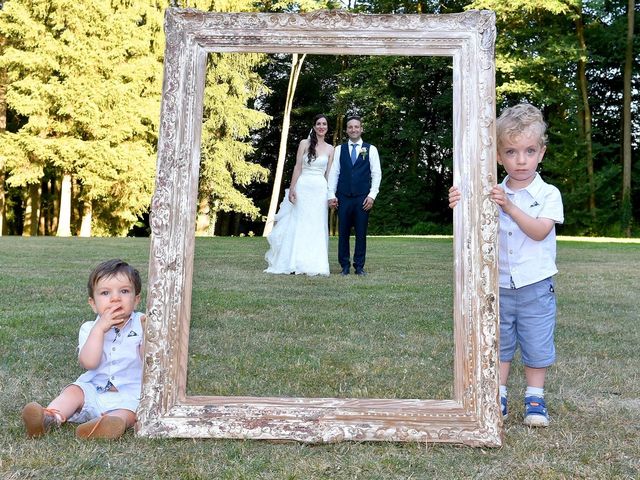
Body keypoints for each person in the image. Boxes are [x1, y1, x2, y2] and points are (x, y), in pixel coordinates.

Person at [449, 103, 563, 427]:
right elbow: (471, 224)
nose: (521, 160)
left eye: (529, 150)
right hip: (498, 282)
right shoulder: (492, 192)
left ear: (541, 152)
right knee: (499, 340)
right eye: (512, 152)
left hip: (536, 284)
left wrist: (510, 208)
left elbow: (540, 231)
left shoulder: (548, 194)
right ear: (499, 156)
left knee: (536, 340)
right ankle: (496, 395)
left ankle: (535, 397)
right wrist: (459, 202)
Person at [22, 259, 146, 439]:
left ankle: (108, 425)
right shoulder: (89, 328)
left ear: (136, 300)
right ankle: (50, 417)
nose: (115, 298)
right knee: (74, 391)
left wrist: (151, 334)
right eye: (105, 293)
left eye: (124, 291)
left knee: (131, 412)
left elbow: (150, 360)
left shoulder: (143, 324)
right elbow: (89, 362)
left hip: (130, 394)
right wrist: (100, 329)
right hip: (94, 390)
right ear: (93, 304)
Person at [264, 114, 334, 276]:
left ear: (327, 128)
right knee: (300, 224)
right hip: (303, 187)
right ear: (314, 127)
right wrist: (292, 188)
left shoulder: (331, 149)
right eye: (318, 124)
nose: (321, 126)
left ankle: (316, 264)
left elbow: (329, 174)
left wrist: (331, 194)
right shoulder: (304, 143)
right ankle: (295, 262)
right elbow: (297, 167)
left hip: (319, 191)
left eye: (324, 124)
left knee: (317, 225)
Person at [327, 115, 382, 276]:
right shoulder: (339, 150)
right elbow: (334, 173)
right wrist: (331, 194)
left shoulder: (370, 149)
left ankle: (359, 266)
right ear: (346, 130)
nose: (353, 129)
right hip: (343, 197)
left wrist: (372, 196)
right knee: (343, 233)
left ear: (361, 129)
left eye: (356, 126)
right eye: (350, 127)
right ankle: (344, 266)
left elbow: (376, 174)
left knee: (361, 233)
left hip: (362, 198)